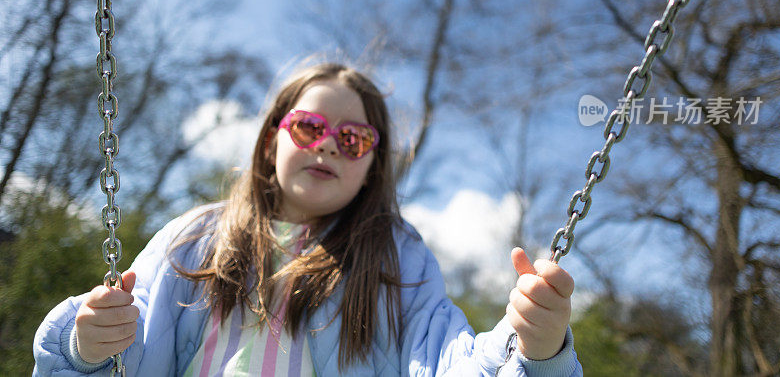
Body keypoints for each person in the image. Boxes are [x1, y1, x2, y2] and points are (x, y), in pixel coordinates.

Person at [33, 62, 582, 376]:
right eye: (307, 128)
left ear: (371, 164)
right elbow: (137, 336)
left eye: (352, 138)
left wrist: (531, 346)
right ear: (273, 139)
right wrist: (88, 346)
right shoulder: (194, 238)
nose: (327, 147)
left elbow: (442, 358)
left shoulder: (397, 257)